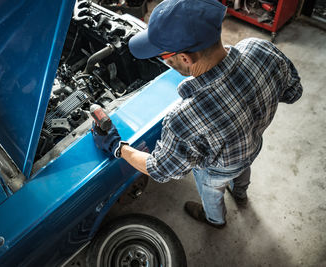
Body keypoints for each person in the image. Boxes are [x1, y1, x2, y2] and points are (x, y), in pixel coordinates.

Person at [92, 0, 302, 229]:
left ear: (185, 58)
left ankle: (215, 219)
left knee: (212, 190)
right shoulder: (259, 48)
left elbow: (159, 169)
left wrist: (117, 146)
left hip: (220, 168)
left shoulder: (184, 119)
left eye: (162, 56)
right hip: (251, 147)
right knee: (242, 169)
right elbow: (293, 92)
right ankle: (240, 193)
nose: (163, 61)